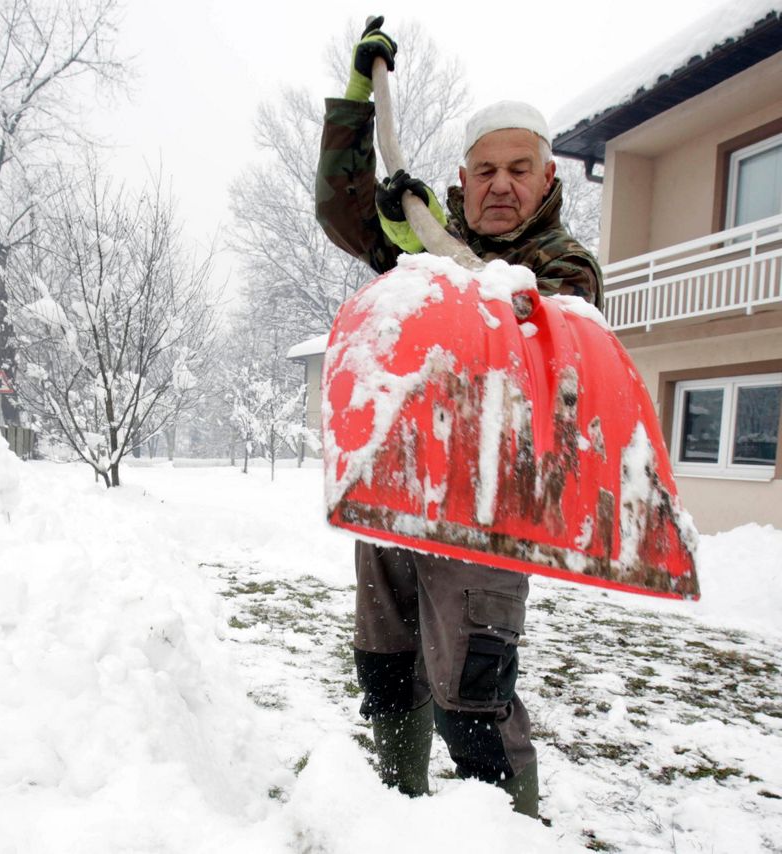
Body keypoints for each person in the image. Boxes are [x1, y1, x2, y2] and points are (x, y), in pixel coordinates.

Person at [313, 17, 604, 818]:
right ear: (465, 177)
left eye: (519, 170)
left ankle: (504, 835)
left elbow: (531, 330)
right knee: (385, 673)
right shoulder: (420, 241)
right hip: (395, 499)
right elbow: (342, 215)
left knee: (470, 701)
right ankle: (395, 816)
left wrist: (435, 240)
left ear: (547, 180)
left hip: (486, 523)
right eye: (484, 170)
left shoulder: (565, 266)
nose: (500, 184)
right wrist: (354, 103)